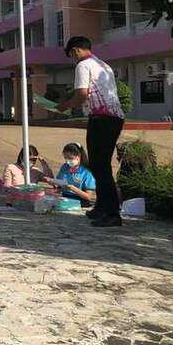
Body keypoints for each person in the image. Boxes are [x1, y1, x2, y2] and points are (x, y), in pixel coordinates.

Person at [57, 36, 126, 227]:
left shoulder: (83, 65)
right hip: (114, 118)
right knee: (97, 165)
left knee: (100, 166)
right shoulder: (103, 65)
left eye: (72, 55)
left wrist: (65, 106)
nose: (73, 59)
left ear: (75, 51)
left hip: (101, 119)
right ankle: (101, 207)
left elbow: (81, 94)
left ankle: (112, 213)